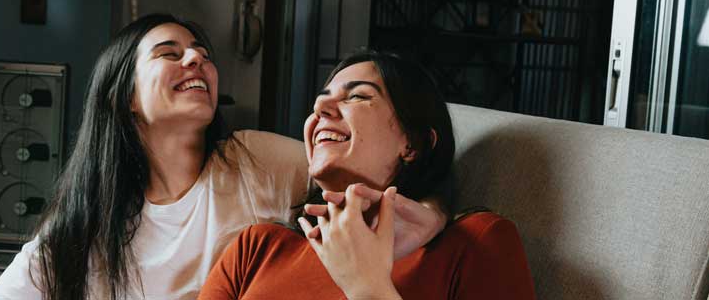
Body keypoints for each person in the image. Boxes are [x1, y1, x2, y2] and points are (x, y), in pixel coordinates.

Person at [0, 15, 447, 300]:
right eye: (170, 53)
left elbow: (360, 173)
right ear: (126, 97)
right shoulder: (85, 220)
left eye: (202, 55)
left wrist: (434, 211)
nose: (196, 61)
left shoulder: (252, 160)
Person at [199, 50, 537, 299]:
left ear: (414, 143)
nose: (320, 110)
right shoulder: (257, 248)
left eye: (357, 96)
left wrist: (369, 288)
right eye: (320, 101)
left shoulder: (476, 242)